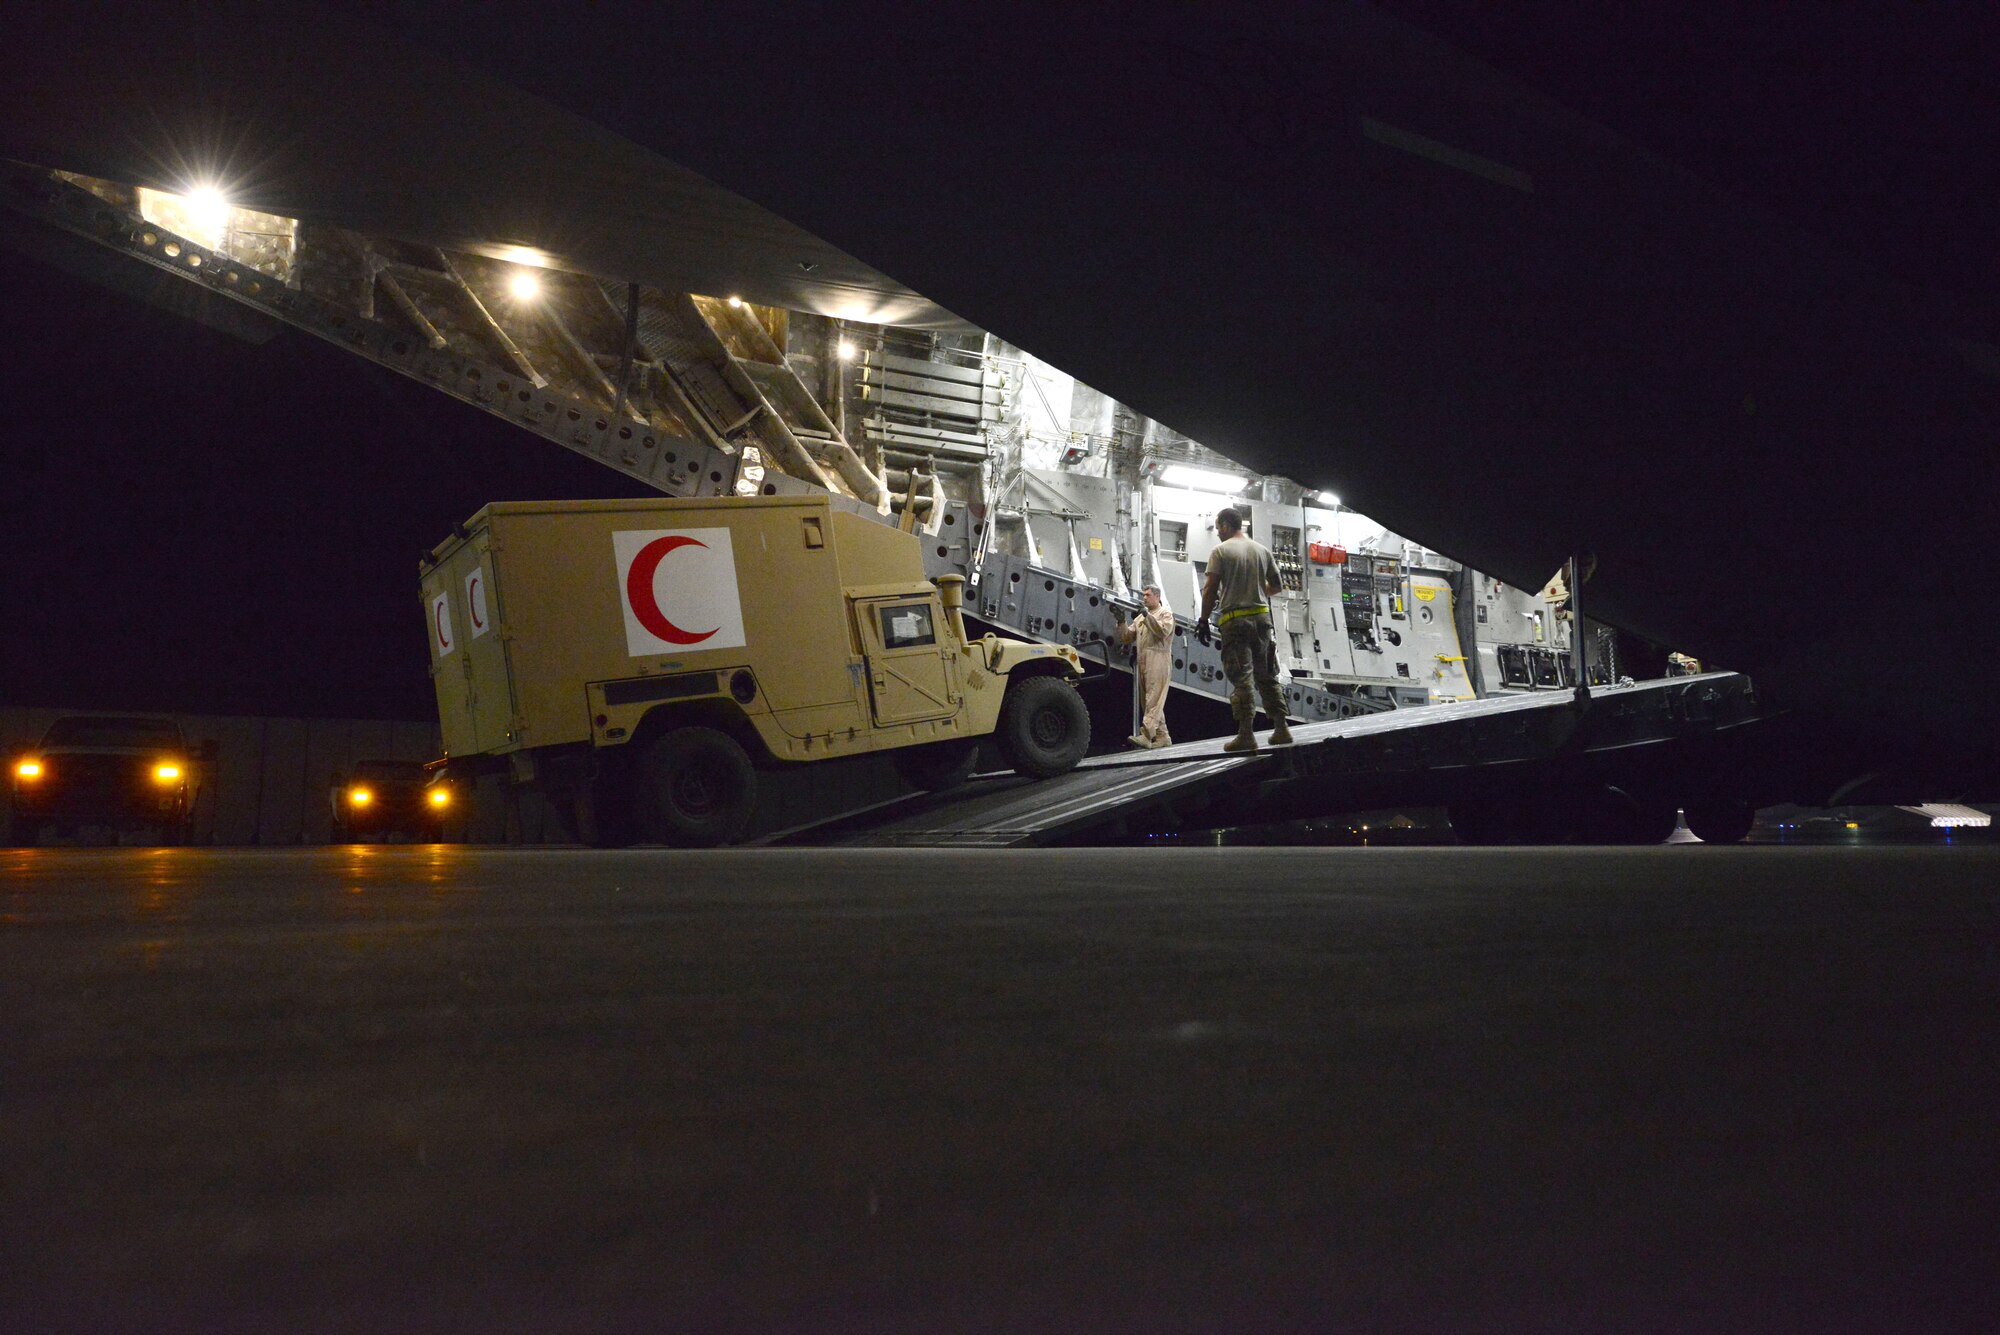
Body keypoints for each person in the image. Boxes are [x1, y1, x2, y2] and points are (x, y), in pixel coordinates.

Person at [1196, 507, 1293, 753]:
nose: (1217, 532)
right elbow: (1278, 585)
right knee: (1267, 674)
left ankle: (1246, 734)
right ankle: (1281, 729)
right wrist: (1257, 596)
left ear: (1227, 525)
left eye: (1218, 527)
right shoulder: (1262, 550)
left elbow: (1209, 589)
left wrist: (1203, 619)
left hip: (1236, 622)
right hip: (1262, 620)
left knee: (1242, 677)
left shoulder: (1221, 551)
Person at [1116, 584, 1175, 748]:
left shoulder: (1165, 614)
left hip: (1159, 658)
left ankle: (1147, 735)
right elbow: (1127, 637)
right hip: (1143, 658)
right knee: (1149, 700)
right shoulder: (1140, 618)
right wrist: (1121, 621)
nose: (1144, 598)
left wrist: (1146, 615)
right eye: (1144, 595)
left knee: (1153, 699)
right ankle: (1163, 737)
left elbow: (1162, 631)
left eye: (1148, 595)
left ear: (1157, 596)